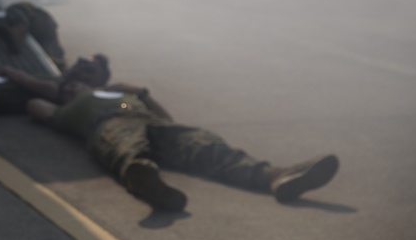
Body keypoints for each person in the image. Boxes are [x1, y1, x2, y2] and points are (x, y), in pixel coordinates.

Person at [27, 77, 339, 212]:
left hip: (150, 121)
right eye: (70, 87)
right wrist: (58, 93)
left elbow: (167, 116)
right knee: (126, 148)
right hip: (110, 125)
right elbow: (36, 105)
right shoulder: (72, 110)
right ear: (65, 93)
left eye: (79, 84)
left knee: (205, 146)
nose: (77, 86)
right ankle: (145, 180)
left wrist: (139, 94)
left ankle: (274, 176)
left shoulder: (119, 98)